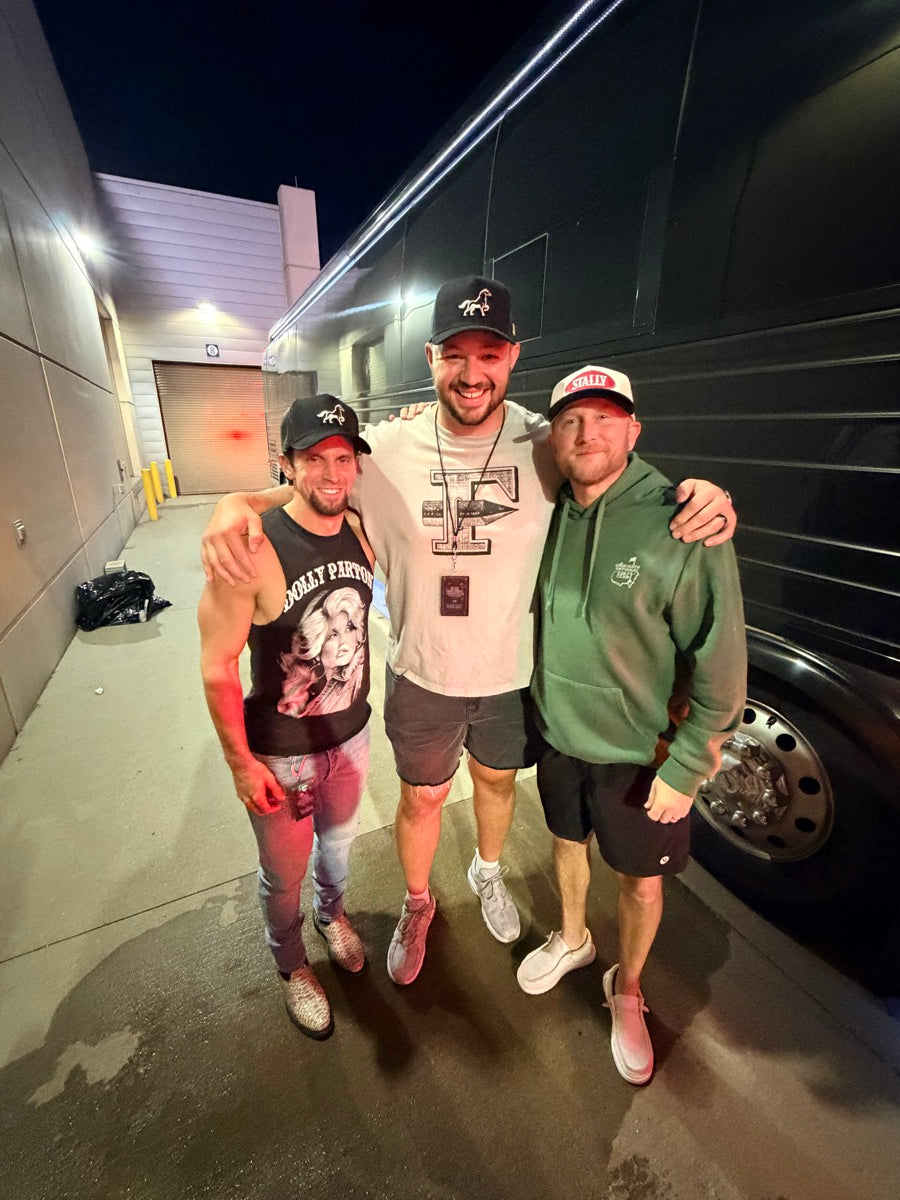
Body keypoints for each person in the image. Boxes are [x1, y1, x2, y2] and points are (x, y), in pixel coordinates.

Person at [200, 276, 737, 987]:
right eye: (455, 354)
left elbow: (614, 462)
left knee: (495, 782)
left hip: (513, 676)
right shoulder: (386, 448)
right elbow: (315, 483)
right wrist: (234, 502)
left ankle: (487, 872)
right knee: (421, 797)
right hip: (423, 672)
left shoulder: (546, 440)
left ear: (513, 357)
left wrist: (704, 493)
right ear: (430, 358)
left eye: (489, 353)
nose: (472, 371)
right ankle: (418, 903)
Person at [516, 364, 746, 1085]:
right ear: (552, 437)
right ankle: (576, 938)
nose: (587, 434)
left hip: (640, 756)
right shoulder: (544, 509)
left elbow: (721, 663)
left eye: (605, 418)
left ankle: (631, 988)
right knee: (564, 847)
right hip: (559, 740)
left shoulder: (683, 522)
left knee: (642, 883)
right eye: (571, 421)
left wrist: (686, 768)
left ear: (633, 429)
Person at [199, 395, 375, 1039]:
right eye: (313, 459)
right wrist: (241, 764)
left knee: (339, 851)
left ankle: (332, 917)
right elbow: (217, 666)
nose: (331, 474)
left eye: (343, 458)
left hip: (351, 738)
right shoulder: (249, 550)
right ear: (286, 464)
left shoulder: (360, 529)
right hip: (281, 752)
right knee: (283, 874)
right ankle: (291, 965)